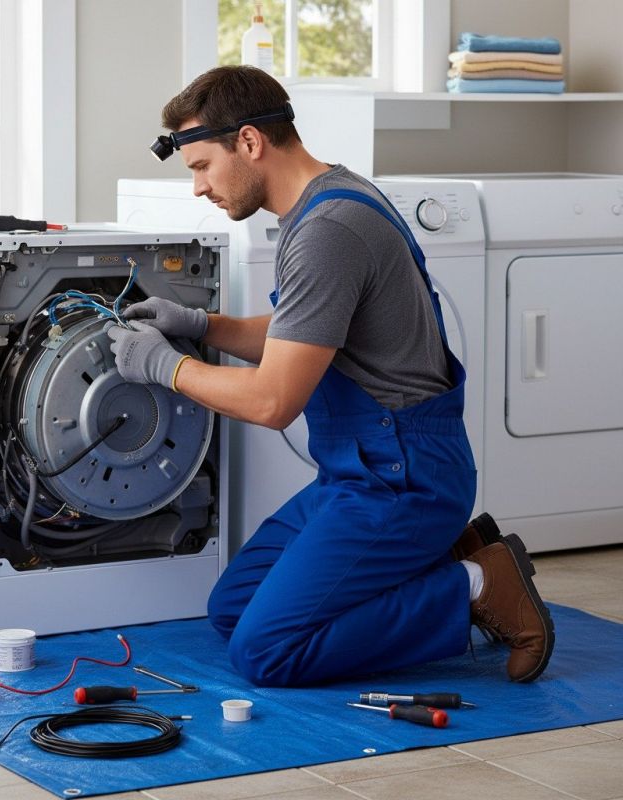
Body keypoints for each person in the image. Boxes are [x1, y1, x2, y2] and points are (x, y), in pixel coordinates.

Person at [106, 65, 554, 687]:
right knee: (233, 608)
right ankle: (451, 554)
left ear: (250, 143)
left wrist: (164, 364)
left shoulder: (328, 230)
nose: (198, 188)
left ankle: (478, 585)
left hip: (405, 478)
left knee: (267, 652)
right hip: (361, 470)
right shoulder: (325, 197)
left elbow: (273, 400)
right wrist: (202, 324)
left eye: (201, 166)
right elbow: (304, 331)